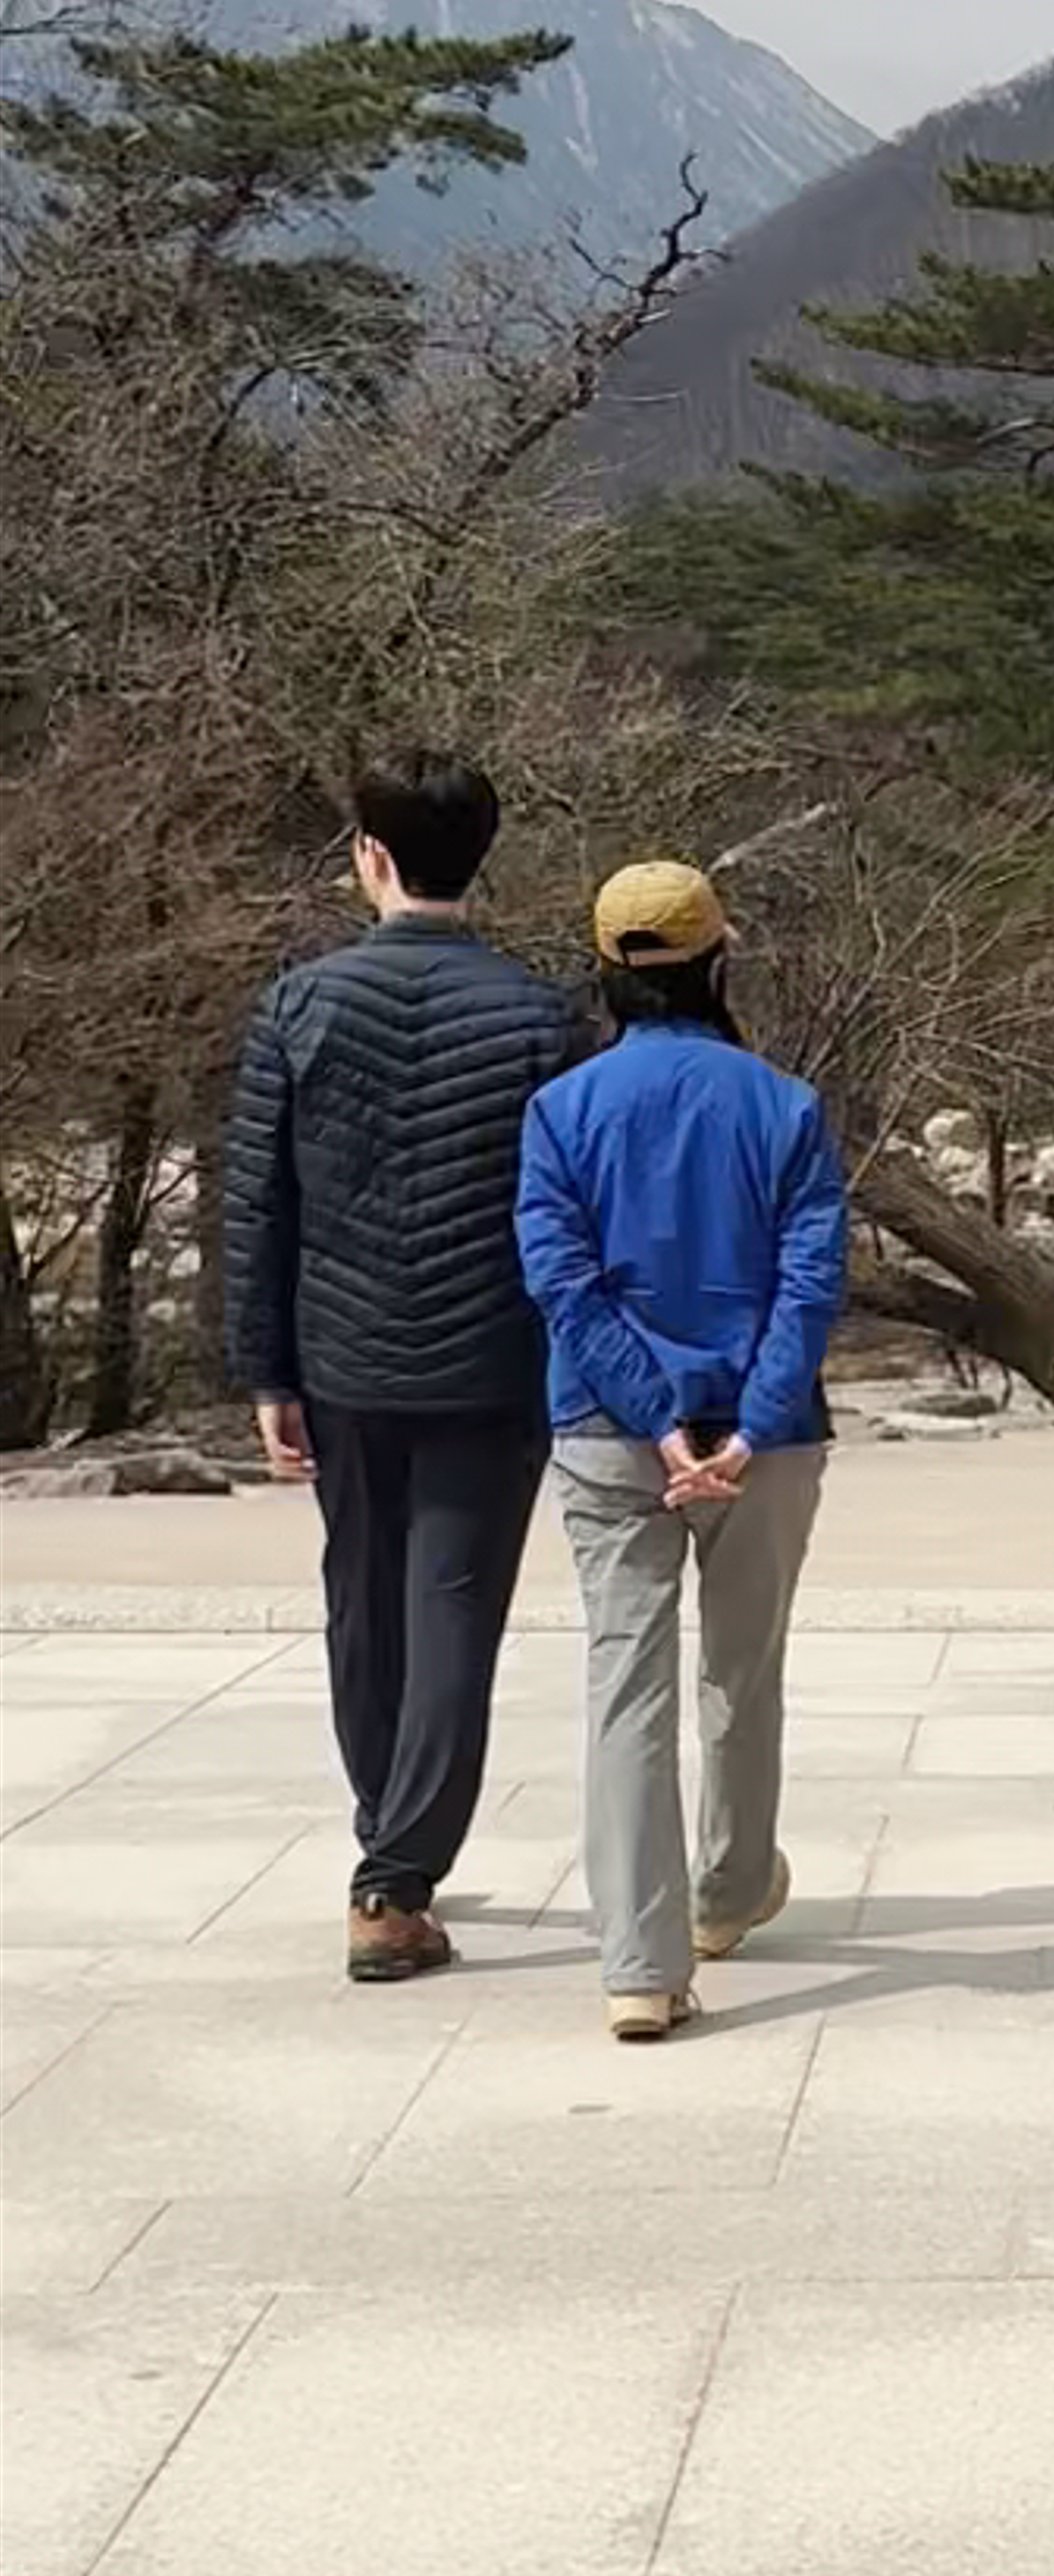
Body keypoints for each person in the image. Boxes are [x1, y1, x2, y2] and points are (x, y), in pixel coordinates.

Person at [221, 746, 584, 1987]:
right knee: (453, 1609)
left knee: (360, 1600)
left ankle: (390, 1844)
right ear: (480, 857)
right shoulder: (540, 1014)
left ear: (369, 855)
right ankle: (396, 1872)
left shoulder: (298, 1003)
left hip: (341, 1350)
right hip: (492, 1359)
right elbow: (562, 1210)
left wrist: (265, 1367)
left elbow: (256, 1201)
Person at [512, 863, 849, 2042]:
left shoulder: (563, 1111)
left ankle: (638, 1962)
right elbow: (809, 1286)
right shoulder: (783, 1106)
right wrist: (745, 1424)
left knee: (625, 1683)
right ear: (719, 960)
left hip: (610, 1433)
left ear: (604, 972)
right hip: (768, 1438)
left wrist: (656, 1417)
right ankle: (730, 1884)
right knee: (742, 1671)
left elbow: (562, 1280)